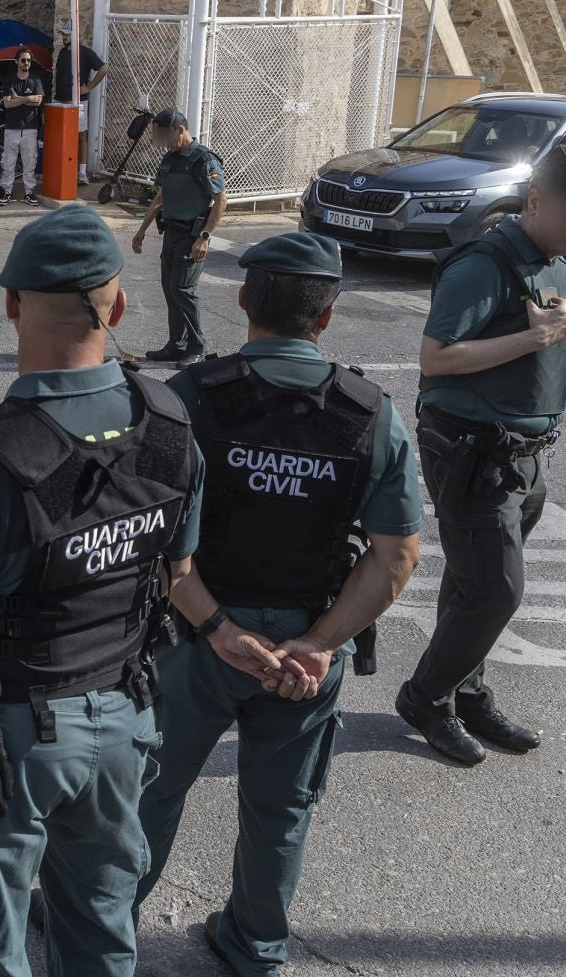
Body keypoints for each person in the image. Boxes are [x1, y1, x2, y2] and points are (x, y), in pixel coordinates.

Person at [0, 204, 203, 977]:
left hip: (8, 741)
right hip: (125, 719)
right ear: (117, 306)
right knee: (99, 925)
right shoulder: (169, 424)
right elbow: (177, 574)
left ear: (13, 304)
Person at [138, 231, 423, 976]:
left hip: (195, 636)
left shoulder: (189, 397)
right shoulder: (369, 414)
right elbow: (395, 556)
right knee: (280, 810)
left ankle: (101, 910)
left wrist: (218, 627)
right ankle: (256, 944)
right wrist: (322, 642)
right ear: (327, 316)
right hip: (302, 650)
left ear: (240, 300)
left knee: (150, 788)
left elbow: (152, 536)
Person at [399, 145, 566, 764]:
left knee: (473, 584)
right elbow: (435, 359)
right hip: (475, 452)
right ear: (537, 200)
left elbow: (541, 338)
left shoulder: (551, 261)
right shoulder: (484, 263)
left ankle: (463, 691)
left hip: (524, 454)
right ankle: (425, 698)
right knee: (496, 590)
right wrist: (536, 335)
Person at [130, 109, 226, 364]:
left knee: (182, 289)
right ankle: (176, 344)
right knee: (170, 290)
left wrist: (204, 237)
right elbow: (161, 196)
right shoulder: (170, 159)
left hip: (191, 235)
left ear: (180, 130)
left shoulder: (203, 160)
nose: (162, 141)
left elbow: (220, 200)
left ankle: (196, 347)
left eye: (165, 135)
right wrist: (142, 229)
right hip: (171, 232)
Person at [53, 21, 109, 184]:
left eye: (67, 34)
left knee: (81, 134)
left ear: (75, 35)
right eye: (63, 34)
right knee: (62, 135)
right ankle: (64, 169)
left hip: (78, 100)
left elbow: (103, 68)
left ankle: (82, 172)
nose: (64, 37)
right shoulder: (63, 53)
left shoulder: (84, 53)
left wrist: (89, 87)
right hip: (61, 99)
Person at [0, 52, 45, 206]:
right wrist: (27, 99)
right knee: (8, 162)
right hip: (12, 128)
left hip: (30, 127)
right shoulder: (9, 80)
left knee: (30, 163)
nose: (26, 63)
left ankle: (29, 193)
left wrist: (18, 98)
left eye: (29, 60)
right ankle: (7, 192)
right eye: (23, 60)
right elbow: (7, 104)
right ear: (17, 61)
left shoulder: (35, 80)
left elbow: (38, 102)